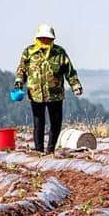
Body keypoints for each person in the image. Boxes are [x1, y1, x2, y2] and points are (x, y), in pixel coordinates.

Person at [14, 24, 83, 153]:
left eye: (48, 38)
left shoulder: (59, 53)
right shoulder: (29, 52)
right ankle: (39, 150)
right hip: (36, 94)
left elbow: (69, 71)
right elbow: (21, 69)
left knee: (56, 123)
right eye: (42, 38)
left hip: (55, 94)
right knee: (38, 123)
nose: (45, 41)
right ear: (37, 38)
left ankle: (50, 150)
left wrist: (75, 86)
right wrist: (19, 82)